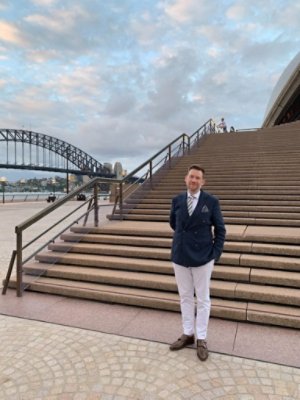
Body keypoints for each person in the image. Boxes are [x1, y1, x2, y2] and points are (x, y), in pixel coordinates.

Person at [169, 164, 226, 361]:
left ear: (203, 182)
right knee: (185, 296)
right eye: (191, 176)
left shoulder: (211, 201)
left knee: (202, 299)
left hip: (202, 257)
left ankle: (201, 337)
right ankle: (188, 333)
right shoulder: (177, 200)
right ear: (186, 178)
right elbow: (173, 224)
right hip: (180, 256)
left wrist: (214, 254)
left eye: (197, 178)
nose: (193, 180)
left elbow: (220, 230)